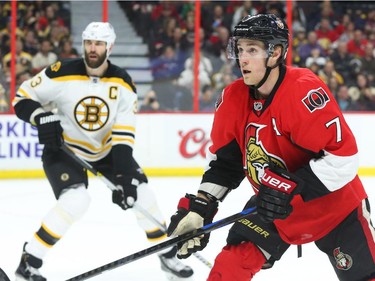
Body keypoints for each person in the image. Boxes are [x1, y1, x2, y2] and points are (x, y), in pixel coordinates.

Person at [167, 14, 375, 281]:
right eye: (240, 49)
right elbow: (226, 164)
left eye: (252, 50)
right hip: (272, 209)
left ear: (275, 53)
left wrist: (287, 188)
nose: (243, 58)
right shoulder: (232, 98)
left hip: (334, 209)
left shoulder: (303, 91)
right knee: (228, 268)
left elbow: (344, 159)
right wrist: (201, 207)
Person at [12, 22, 193, 281]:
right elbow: (22, 98)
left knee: (141, 194)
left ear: (110, 47)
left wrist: (125, 178)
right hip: (65, 149)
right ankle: (29, 262)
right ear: (83, 44)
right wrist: (41, 117)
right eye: (89, 43)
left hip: (107, 151)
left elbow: (122, 137)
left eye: (99, 43)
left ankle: (166, 254)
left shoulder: (123, 84)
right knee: (76, 201)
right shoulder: (61, 71)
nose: (93, 49)